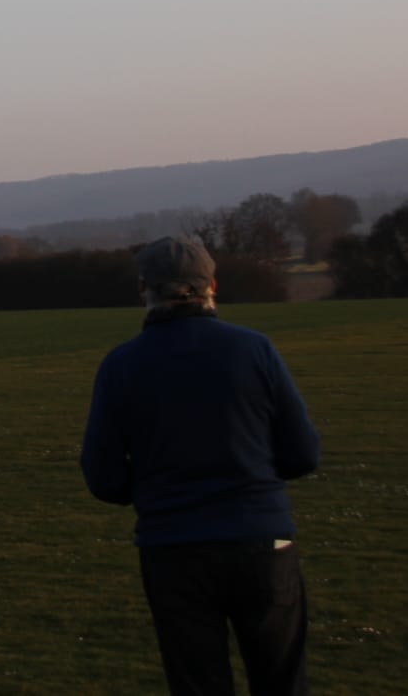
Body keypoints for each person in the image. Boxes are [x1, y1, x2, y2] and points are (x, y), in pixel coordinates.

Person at [81, 236, 321, 696]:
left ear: (144, 289)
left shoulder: (121, 366)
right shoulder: (255, 350)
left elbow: (103, 477)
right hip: (262, 542)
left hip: (172, 549)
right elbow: (304, 454)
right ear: (212, 285)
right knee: (281, 681)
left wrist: (152, 492)